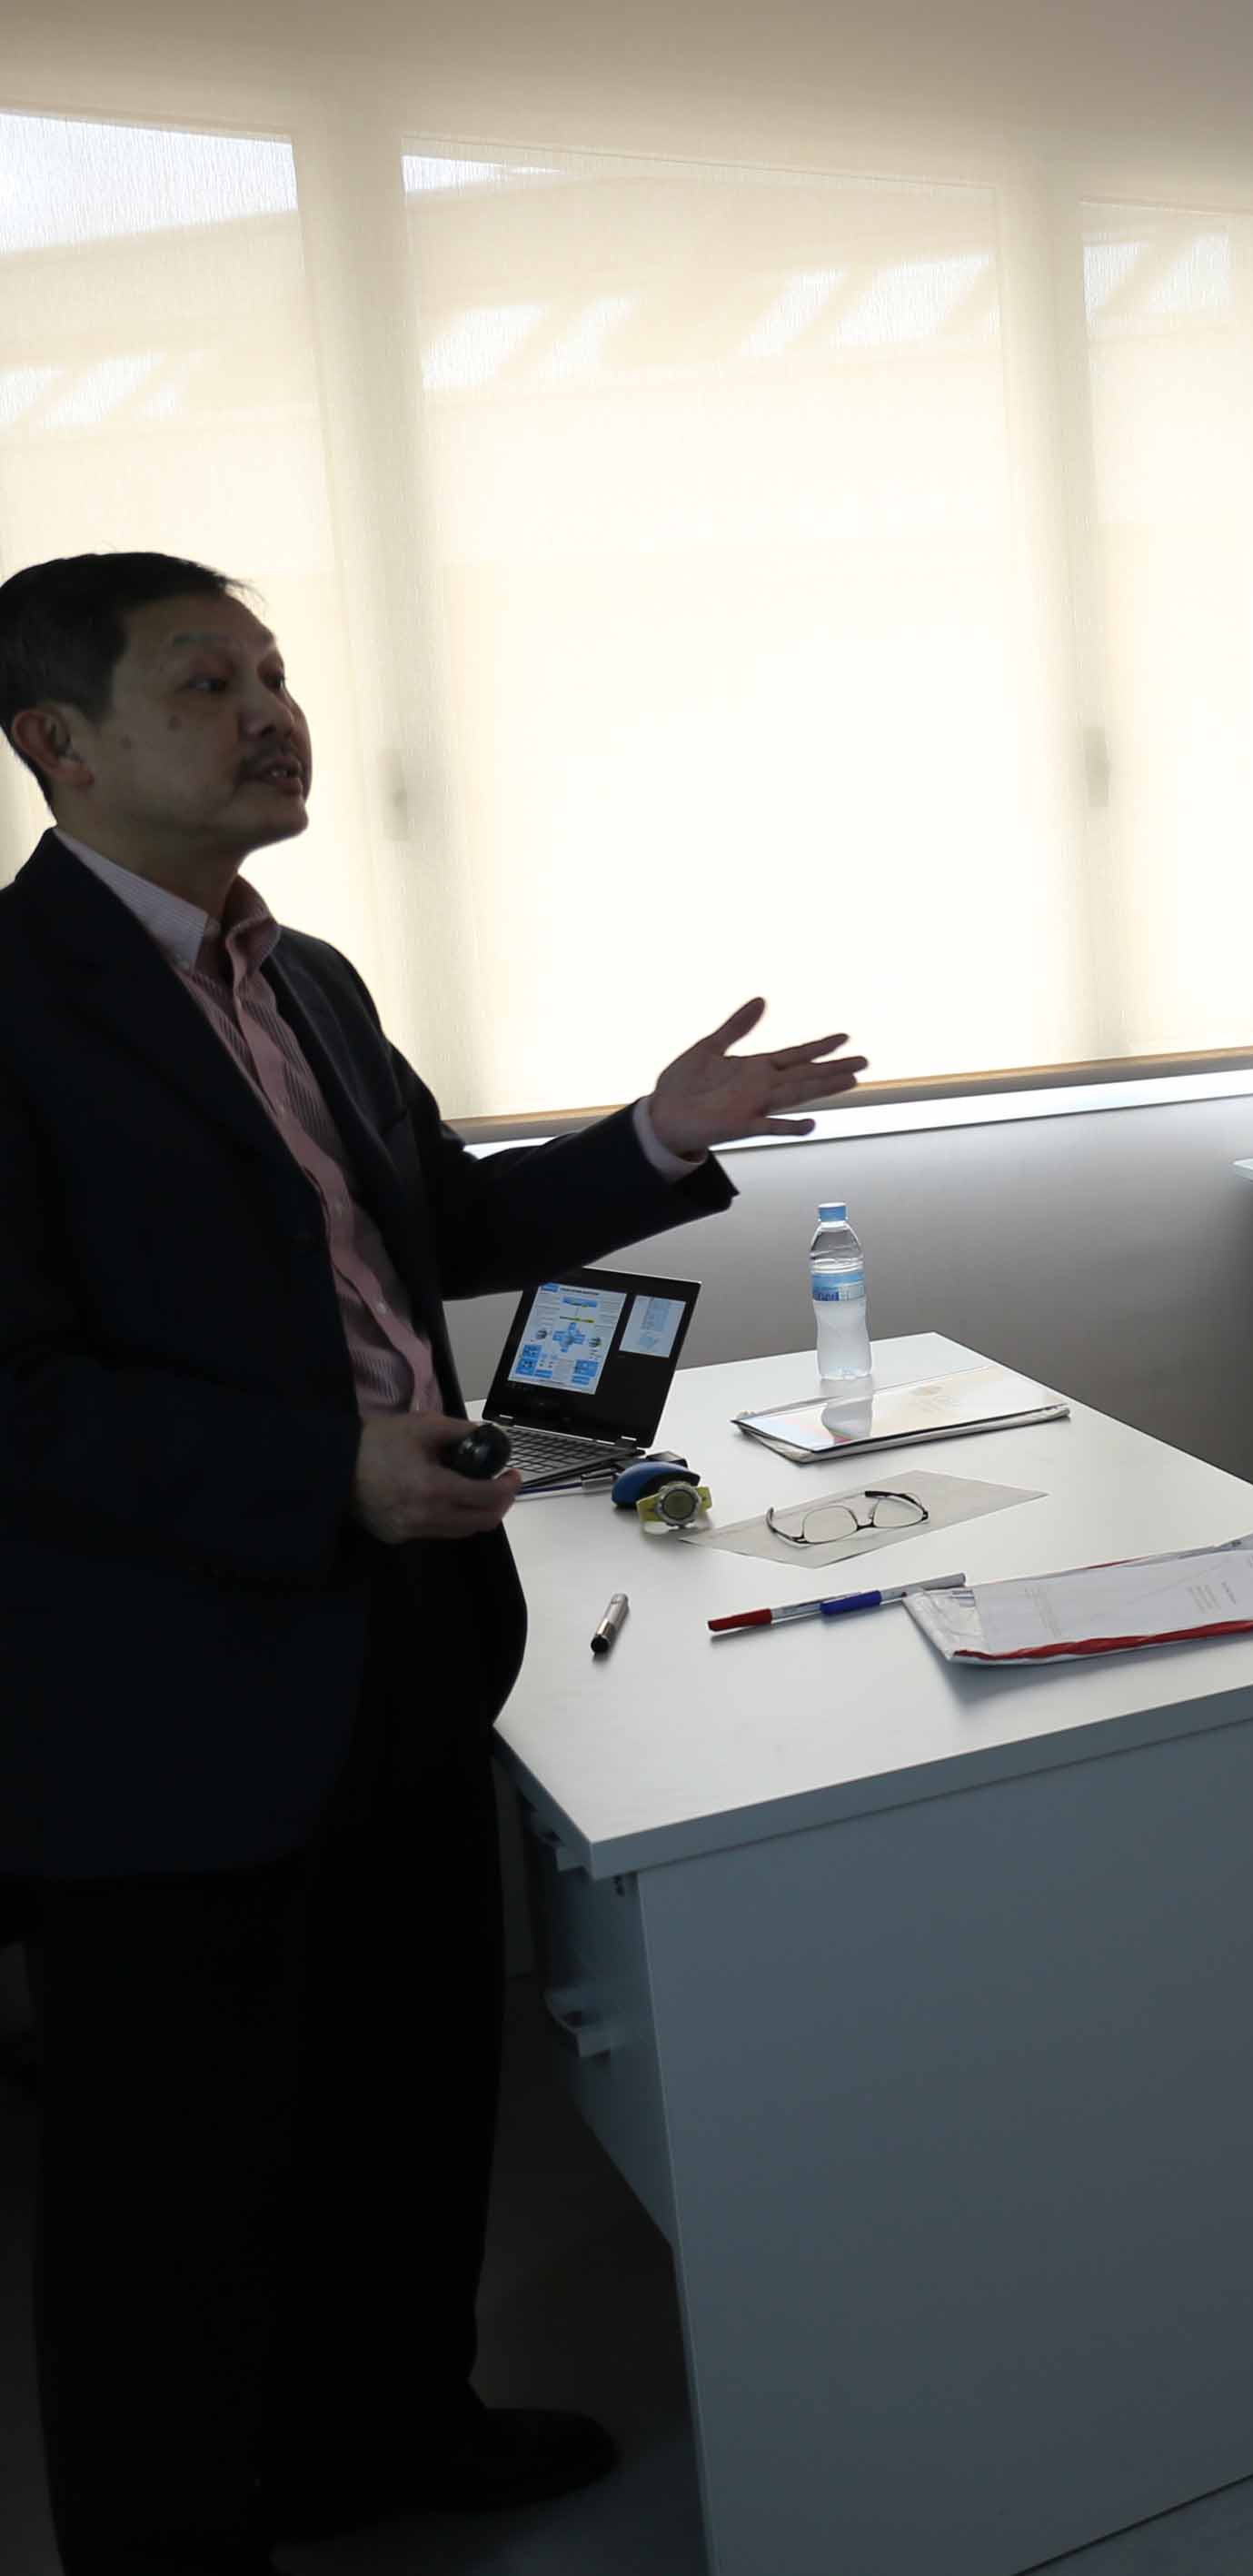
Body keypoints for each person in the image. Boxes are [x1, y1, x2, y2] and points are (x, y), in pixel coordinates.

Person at [0, 552, 863, 2574]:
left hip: (409, 1624)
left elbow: (437, 1225)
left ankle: (387, 2430)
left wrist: (657, 1135)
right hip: (169, 1685)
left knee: (404, 2087)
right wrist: (322, 1472)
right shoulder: (11, 1006)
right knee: (172, 2184)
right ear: (58, 744)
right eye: (204, 682)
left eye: (275, 672)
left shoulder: (303, 975)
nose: (271, 713)